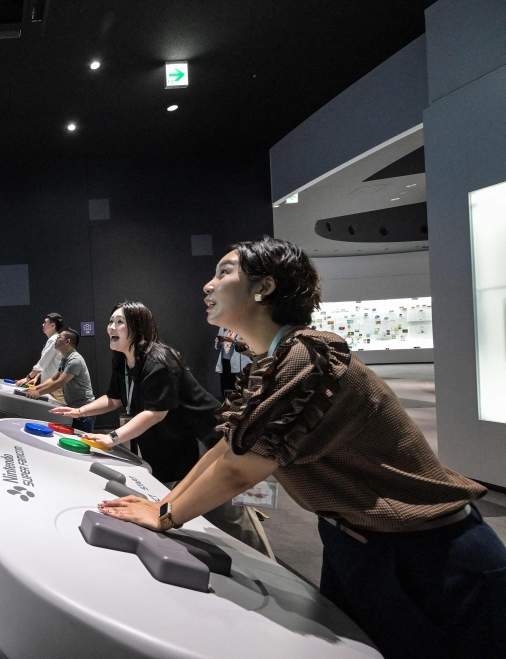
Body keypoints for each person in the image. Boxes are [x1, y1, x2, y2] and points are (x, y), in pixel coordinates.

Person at [99, 236, 506, 659]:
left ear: (265, 287)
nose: (208, 285)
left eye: (224, 272)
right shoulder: (278, 358)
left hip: (432, 558)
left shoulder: (306, 357)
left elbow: (239, 469)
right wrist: (165, 507)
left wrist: (164, 517)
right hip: (357, 543)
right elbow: (227, 447)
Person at [50, 301, 221, 484]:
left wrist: (112, 437)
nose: (111, 328)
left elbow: (154, 413)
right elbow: (113, 399)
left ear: (138, 327)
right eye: (110, 321)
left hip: (204, 436)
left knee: (217, 503)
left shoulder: (158, 361)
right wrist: (80, 411)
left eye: (119, 322)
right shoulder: (122, 359)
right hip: (169, 436)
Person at [25, 328, 96, 431]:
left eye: (59, 337)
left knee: (82, 439)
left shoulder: (75, 360)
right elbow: (53, 379)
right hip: (73, 407)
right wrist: (36, 389)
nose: (56, 340)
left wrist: (39, 392)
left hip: (83, 409)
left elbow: (60, 382)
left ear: (67, 342)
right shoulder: (64, 358)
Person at [15, 313, 65, 403]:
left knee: (60, 410)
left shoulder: (54, 340)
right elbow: (47, 363)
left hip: (54, 385)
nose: (43, 325)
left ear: (53, 325)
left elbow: (42, 362)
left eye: (45, 323)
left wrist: (28, 378)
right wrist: (36, 378)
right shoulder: (53, 339)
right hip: (50, 384)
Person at [214, 327, 251, 398]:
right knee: (225, 385)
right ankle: (226, 404)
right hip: (224, 361)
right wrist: (220, 341)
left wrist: (233, 340)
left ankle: (238, 405)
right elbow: (217, 346)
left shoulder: (242, 325)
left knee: (238, 386)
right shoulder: (223, 327)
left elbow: (249, 342)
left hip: (239, 361)